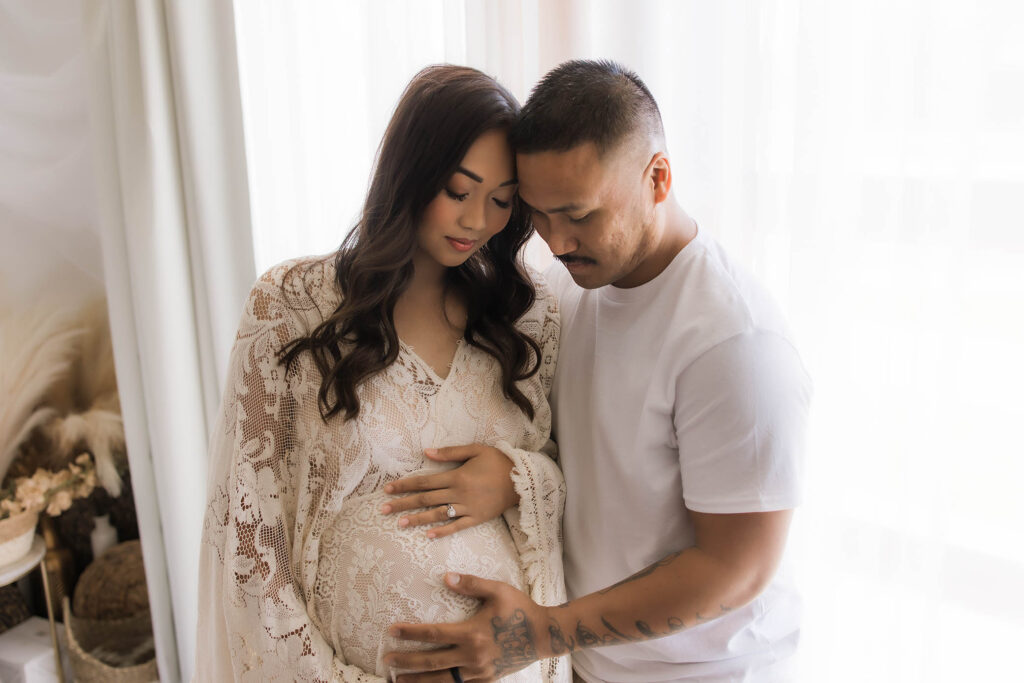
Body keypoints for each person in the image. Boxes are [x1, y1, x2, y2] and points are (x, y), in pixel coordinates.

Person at [384, 60, 812, 682]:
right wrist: (513, 473)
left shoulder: (734, 343)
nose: (556, 240)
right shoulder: (571, 286)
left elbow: (736, 568)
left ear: (657, 179)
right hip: (587, 667)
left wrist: (541, 632)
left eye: (579, 214)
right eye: (538, 212)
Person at [194, 65, 571, 683]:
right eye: (458, 189)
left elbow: (564, 482)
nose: (477, 220)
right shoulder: (291, 304)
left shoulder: (526, 318)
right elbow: (248, 534)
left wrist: (518, 479)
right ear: (411, 173)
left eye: (502, 201)